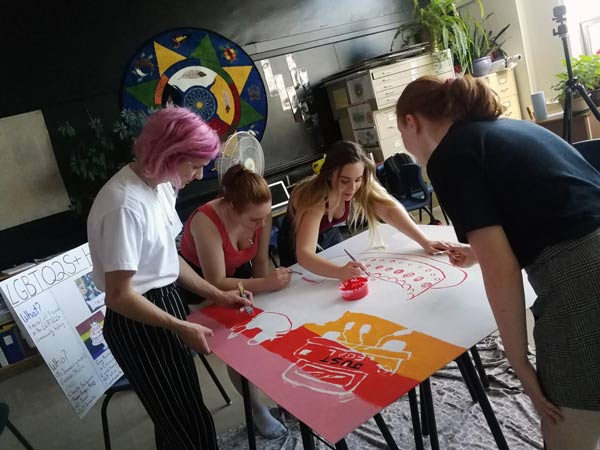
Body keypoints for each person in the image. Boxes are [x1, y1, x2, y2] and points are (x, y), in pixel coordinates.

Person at [395, 75, 600, 450]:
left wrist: (518, 360)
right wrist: (479, 251)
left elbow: (501, 269)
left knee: (566, 420)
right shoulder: (505, 130)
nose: (407, 149)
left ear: (412, 121)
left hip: (583, 278)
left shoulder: (450, 155)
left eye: (402, 135)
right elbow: (552, 208)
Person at [87, 107, 252, 450]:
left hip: (164, 300)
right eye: (193, 165)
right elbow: (118, 296)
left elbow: (167, 260)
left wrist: (217, 294)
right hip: (138, 320)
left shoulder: (161, 186)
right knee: (186, 420)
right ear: (168, 156)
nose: (199, 174)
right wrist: (180, 327)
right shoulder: (124, 205)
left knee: (180, 413)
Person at [180, 163, 290, 438]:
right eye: (254, 221)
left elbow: (261, 261)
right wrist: (265, 283)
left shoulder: (259, 213)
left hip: (239, 274)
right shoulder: (205, 222)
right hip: (203, 288)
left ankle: (285, 398)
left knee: (268, 332)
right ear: (231, 209)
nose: (262, 224)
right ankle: (256, 410)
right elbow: (216, 282)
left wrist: (266, 296)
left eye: (265, 217)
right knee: (237, 347)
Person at [277, 140, 450, 279]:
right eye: (344, 181)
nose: (352, 188)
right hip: (294, 240)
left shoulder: (360, 183)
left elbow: (389, 210)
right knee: (304, 285)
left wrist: (424, 241)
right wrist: (339, 272)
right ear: (329, 174)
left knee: (345, 273)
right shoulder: (316, 196)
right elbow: (305, 254)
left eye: (358, 179)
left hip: (328, 233)